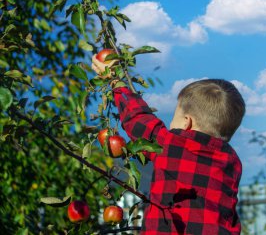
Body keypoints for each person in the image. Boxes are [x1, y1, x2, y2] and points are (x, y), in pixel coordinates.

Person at [92, 58, 245, 235]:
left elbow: (138, 120)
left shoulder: (172, 144)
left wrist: (115, 81)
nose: (170, 125)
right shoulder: (233, 162)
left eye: (175, 117)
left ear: (187, 122)